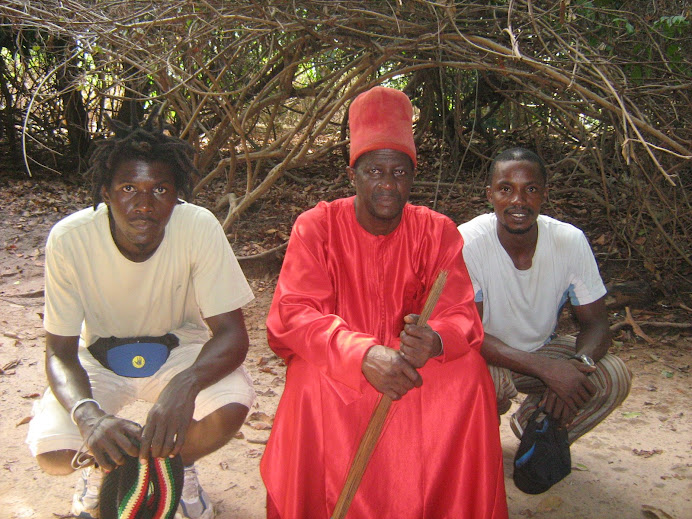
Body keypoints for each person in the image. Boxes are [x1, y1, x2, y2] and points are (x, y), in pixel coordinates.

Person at [261, 86, 508, 519]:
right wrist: (362, 354)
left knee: (469, 374)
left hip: (411, 365)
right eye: (375, 171)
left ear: (412, 177)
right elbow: (294, 313)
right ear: (353, 174)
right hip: (343, 365)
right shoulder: (316, 226)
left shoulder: (438, 231)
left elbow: (462, 312)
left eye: (399, 173)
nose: (388, 186)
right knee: (307, 379)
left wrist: (434, 339)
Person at [25, 113, 256, 519]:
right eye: (129, 188)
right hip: (97, 355)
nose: (144, 205)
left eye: (160, 190)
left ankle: (177, 468)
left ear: (177, 195)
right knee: (52, 451)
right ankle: (107, 465)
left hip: (179, 349)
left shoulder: (197, 226)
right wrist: (89, 416)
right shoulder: (70, 238)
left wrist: (183, 389)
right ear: (106, 192)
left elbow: (232, 334)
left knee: (231, 405)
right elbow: (60, 352)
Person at [458, 147, 632, 449]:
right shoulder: (468, 242)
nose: (518, 201)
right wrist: (548, 370)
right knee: (482, 381)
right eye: (505, 189)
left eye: (531, 189)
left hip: (543, 349)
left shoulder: (569, 241)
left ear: (545, 195)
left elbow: (597, 326)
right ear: (489, 195)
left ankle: (537, 430)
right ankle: (478, 449)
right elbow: (470, 335)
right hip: (487, 356)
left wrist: (578, 366)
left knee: (613, 376)